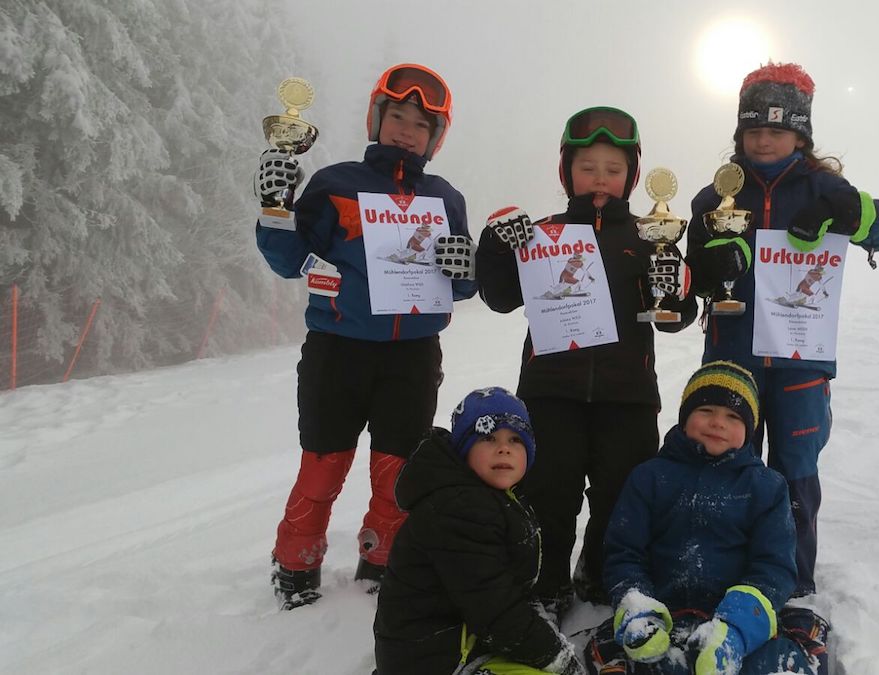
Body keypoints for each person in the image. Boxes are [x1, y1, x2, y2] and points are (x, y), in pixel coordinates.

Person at [253, 63, 479, 609]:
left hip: (413, 354)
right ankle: (296, 562)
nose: (407, 130)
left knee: (398, 466)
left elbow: (465, 282)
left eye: (421, 126)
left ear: (435, 139)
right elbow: (287, 260)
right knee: (324, 460)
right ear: (377, 119)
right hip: (339, 347)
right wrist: (274, 208)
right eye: (397, 116)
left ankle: (382, 559)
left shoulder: (444, 197)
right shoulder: (335, 182)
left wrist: (461, 266)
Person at [685, 62, 879, 600]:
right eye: (754, 130)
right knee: (724, 462)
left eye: (777, 130)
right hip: (731, 355)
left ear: (800, 135)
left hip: (802, 361)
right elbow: (686, 270)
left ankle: (792, 585)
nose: (764, 140)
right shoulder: (713, 198)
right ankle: (721, 574)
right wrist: (702, 271)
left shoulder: (823, 187)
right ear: (739, 134)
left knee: (794, 473)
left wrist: (852, 210)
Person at [475, 106, 697, 616]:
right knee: (549, 490)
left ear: (631, 177)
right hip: (551, 390)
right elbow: (502, 297)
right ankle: (546, 578)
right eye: (588, 167)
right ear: (566, 171)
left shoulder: (650, 237)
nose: (600, 178)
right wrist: (494, 249)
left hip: (628, 393)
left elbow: (674, 318)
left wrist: (677, 286)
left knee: (621, 491)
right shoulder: (542, 233)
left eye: (613, 170)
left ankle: (600, 570)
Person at [588, 361, 826, 675]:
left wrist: (735, 630)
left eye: (732, 416)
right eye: (706, 411)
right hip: (665, 619)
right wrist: (639, 610)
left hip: (734, 621)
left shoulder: (766, 486)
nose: (718, 423)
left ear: (750, 429)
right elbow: (624, 553)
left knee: (775, 662)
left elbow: (773, 567)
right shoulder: (649, 477)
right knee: (635, 660)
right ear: (685, 417)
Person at [373, 387, 584, 675]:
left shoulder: (499, 498)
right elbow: (495, 609)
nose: (504, 448)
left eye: (515, 439)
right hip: (435, 659)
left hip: (467, 642)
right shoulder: (459, 510)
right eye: (488, 437)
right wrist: (556, 657)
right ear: (464, 449)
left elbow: (509, 591)